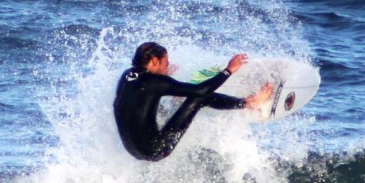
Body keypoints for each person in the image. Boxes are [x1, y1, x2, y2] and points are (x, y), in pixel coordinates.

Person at [113, 42, 273, 161]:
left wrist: (163, 77)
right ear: (154, 61)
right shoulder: (156, 83)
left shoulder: (127, 75)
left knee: (157, 105)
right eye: (165, 62)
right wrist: (228, 70)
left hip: (131, 149)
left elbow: (143, 94)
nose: (167, 65)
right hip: (156, 149)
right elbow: (201, 91)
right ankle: (250, 102)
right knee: (200, 98)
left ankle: (177, 104)